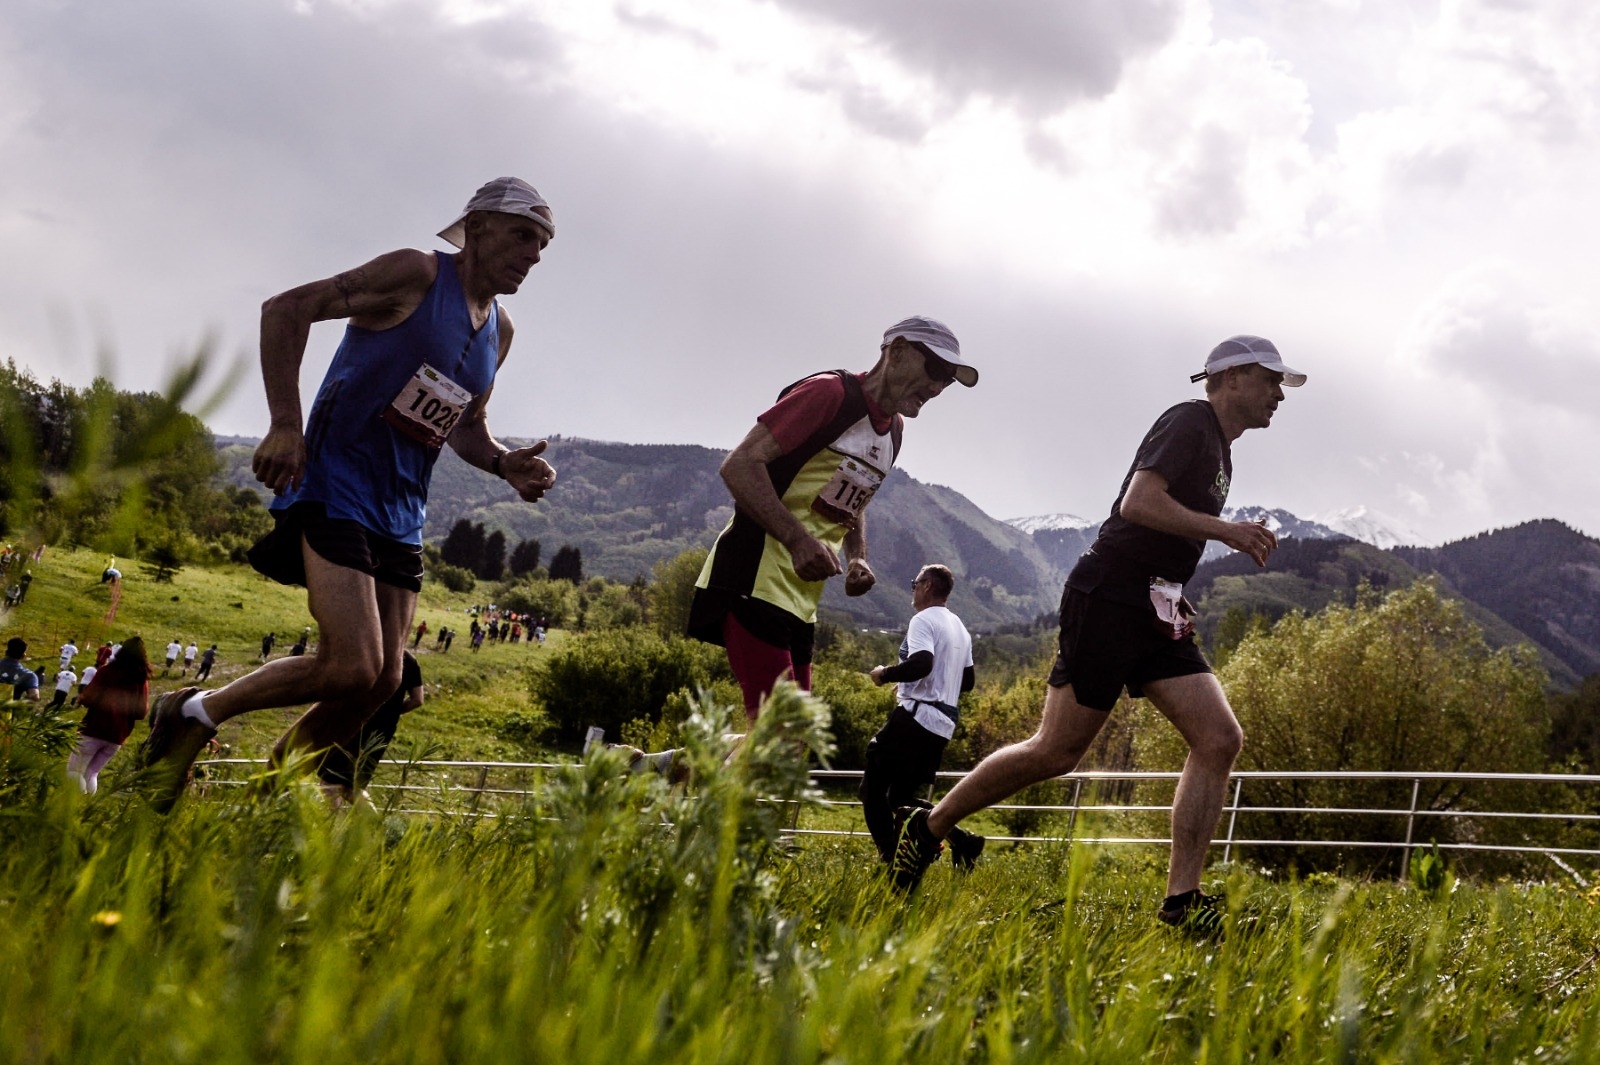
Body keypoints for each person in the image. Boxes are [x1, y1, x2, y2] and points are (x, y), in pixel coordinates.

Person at [138, 176, 559, 814]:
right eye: (524, 235)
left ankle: (260, 805)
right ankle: (192, 712)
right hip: (336, 483)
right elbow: (286, 308)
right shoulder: (416, 274)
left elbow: (466, 426)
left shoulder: (500, 331)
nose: (533, 254)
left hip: (402, 511)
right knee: (352, 666)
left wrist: (505, 464)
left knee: (384, 681)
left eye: (542, 245)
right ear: (475, 227)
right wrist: (286, 424)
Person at [891, 336, 1305, 933]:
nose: (1278, 395)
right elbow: (1138, 503)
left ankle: (1183, 901)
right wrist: (1226, 531)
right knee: (1056, 751)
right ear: (1232, 376)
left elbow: (1164, 527)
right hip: (1109, 597)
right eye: (1271, 380)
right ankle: (927, 827)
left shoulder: (1221, 448)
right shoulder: (1189, 421)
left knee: (1219, 739)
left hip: (1155, 608)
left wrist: (1174, 583)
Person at [686, 316, 978, 720]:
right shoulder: (829, 393)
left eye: (947, 380)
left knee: (791, 737)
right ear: (896, 352)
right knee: (782, 734)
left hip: (802, 601)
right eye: (935, 370)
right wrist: (798, 541)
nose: (937, 387)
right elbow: (739, 465)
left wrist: (858, 556)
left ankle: (663, 758)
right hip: (751, 579)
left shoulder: (893, 432)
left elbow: (854, 499)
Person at [860, 565, 983, 868]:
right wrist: (918, 686)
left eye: (915, 583)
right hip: (941, 725)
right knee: (900, 798)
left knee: (871, 789)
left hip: (916, 718)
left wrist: (885, 674)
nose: (913, 589)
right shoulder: (960, 627)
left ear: (927, 585)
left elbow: (922, 663)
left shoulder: (923, 619)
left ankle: (890, 857)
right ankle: (963, 841)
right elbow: (967, 682)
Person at [315, 650, 424, 806]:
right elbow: (417, 700)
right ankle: (374, 821)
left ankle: (331, 822)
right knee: (352, 788)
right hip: (382, 732)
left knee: (329, 784)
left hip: (355, 724)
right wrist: (391, 712)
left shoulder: (369, 651)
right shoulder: (409, 660)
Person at [66, 636, 152, 795]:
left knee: (74, 771)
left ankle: (72, 802)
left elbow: (89, 697)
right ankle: (87, 803)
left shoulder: (107, 671)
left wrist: (82, 699)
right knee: (92, 773)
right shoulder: (141, 680)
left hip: (94, 729)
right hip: (117, 736)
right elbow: (141, 712)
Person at [1, 637, 41, 702]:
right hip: (8, 707)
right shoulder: (29, 675)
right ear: (23, 655)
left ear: (6, 652)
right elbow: (34, 697)